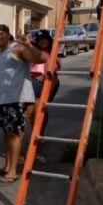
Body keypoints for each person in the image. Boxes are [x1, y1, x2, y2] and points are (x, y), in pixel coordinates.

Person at [0, 24, 44, 183]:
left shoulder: (17, 49)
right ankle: (7, 166)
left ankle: (13, 171)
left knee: (14, 134)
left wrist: (27, 44)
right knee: (7, 134)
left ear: (8, 36)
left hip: (16, 98)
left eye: (2, 34)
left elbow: (38, 58)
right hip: (1, 100)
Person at [29, 30, 61, 164]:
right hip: (29, 85)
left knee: (39, 120)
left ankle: (35, 153)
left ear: (49, 40)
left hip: (43, 87)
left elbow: (54, 78)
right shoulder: (32, 53)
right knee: (29, 120)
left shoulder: (52, 55)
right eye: (40, 39)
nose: (43, 41)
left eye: (45, 39)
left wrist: (46, 96)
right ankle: (26, 152)